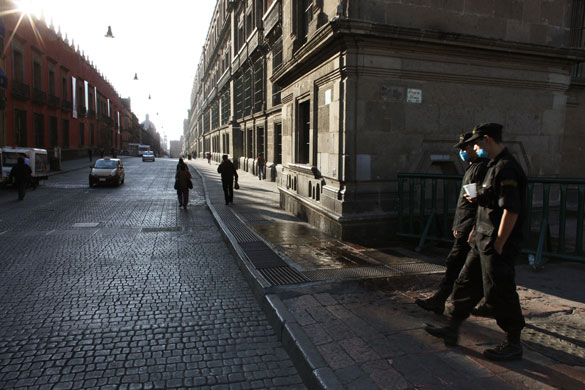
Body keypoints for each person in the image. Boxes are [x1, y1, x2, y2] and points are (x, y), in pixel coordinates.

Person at [425, 123, 527, 361]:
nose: (475, 147)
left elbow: (511, 210)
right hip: (481, 237)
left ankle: (513, 342)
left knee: (500, 291)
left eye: (478, 143)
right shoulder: (492, 166)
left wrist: (500, 243)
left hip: (495, 242)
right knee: (464, 283)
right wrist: (475, 226)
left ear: (488, 140)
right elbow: (490, 200)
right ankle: (452, 329)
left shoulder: (507, 168)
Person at [415, 132, 488, 315]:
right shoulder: (472, 168)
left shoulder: (479, 168)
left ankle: (442, 301)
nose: (463, 151)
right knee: (472, 267)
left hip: (470, 227)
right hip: (465, 225)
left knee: (457, 264)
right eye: (461, 148)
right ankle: (486, 302)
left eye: (466, 148)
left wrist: (471, 227)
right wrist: (457, 224)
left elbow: (478, 203)